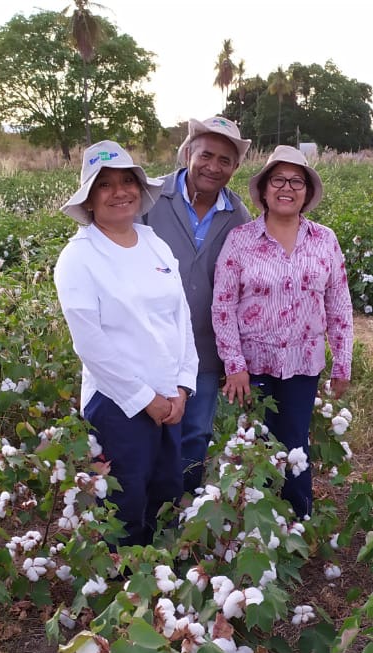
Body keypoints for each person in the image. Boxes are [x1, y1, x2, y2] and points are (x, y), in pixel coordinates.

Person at [54, 141, 198, 547]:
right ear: (90, 199)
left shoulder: (154, 243)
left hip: (170, 399)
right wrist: (143, 398)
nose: (120, 192)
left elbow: (180, 317)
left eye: (127, 181)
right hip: (117, 405)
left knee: (166, 492)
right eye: (106, 185)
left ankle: (161, 584)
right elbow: (90, 344)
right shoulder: (79, 258)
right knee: (124, 502)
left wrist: (183, 387)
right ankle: (124, 594)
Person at [211, 145, 354, 519]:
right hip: (250, 367)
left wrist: (342, 362)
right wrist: (234, 364)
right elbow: (223, 305)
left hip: (303, 363)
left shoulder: (325, 240)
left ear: (306, 192)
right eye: (278, 180)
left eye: (296, 181)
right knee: (250, 445)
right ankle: (248, 526)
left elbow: (339, 303)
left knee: (294, 446)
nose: (286, 188)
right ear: (263, 190)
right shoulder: (240, 240)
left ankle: (297, 523)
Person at [144, 116, 252, 495]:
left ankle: (182, 509)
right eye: (206, 155)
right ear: (188, 153)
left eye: (225, 160)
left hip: (205, 348)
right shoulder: (151, 197)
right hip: (149, 341)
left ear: (235, 167)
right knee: (146, 430)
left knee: (195, 434)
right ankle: (146, 519)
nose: (213, 166)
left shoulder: (238, 216)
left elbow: (242, 289)